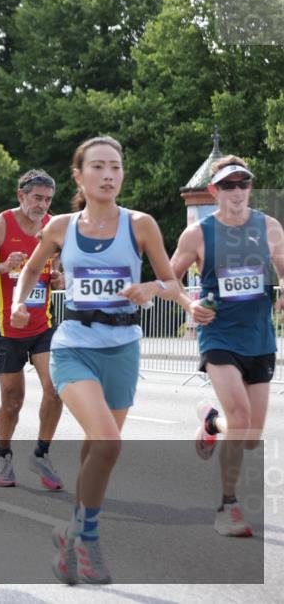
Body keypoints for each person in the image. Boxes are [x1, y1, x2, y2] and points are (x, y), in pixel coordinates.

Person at [11, 136, 192, 585]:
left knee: (98, 447)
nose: (109, 174)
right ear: (80, 175)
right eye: (98, 167)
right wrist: (19, 301)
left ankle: (71, 533)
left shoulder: (141, 225)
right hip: (73, 347)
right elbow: (32, 269)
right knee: (109, 443)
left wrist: (151, 289)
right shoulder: (60, 228)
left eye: (115, 166)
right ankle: (88, 540)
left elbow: (173, 284)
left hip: (123, 348)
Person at [169, 156, 284, 537]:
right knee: (240, 417)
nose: (237, 192)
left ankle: (209, 422)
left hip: (259, 336)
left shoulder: (269, 228)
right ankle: (228, 506)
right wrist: (190, 304)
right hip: (218, 335)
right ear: (214, 191)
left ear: (250, 188)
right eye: (229, 185)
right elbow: (170, 280)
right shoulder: (198, 235)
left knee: (250, 435)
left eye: (243, 184)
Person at [0, 169, 65, 489]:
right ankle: (4, 455)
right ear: (20, 196)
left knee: (56, 386)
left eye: (48, 200)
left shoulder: (54, 227)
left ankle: (41, 453)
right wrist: (4, 266)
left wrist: (60, 278)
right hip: (7, 328)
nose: (42, 206)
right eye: (37, 198)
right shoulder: (0, 225)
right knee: (13, 401)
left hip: (42, 324)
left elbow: (59, 269)